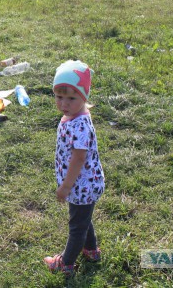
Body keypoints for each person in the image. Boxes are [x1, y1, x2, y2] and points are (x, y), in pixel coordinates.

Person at [44, 60, 105, 276]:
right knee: (82, 219)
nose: (64, 103)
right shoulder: (73, 116)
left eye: (71, 97)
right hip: (82, 185)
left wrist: (65, 187)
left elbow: (79, 158)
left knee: (77, 226)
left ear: (84, 97)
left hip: (81, 185)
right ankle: (91, 251)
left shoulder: (80, 125)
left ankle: (66, 263)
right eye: (59, 97)